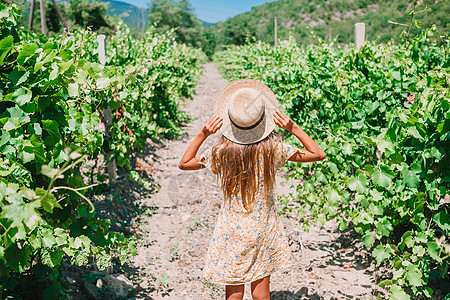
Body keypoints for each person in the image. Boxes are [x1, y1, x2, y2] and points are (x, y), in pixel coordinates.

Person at [178, 79, 326, 300]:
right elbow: (318, 154)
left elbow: (184, 163)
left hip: (231, 229)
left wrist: (203, 133)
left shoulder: (221, 152)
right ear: (263, 121)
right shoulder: (272, 150)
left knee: (234, 293)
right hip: (262, 226)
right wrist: (292, 127)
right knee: (261, 295)